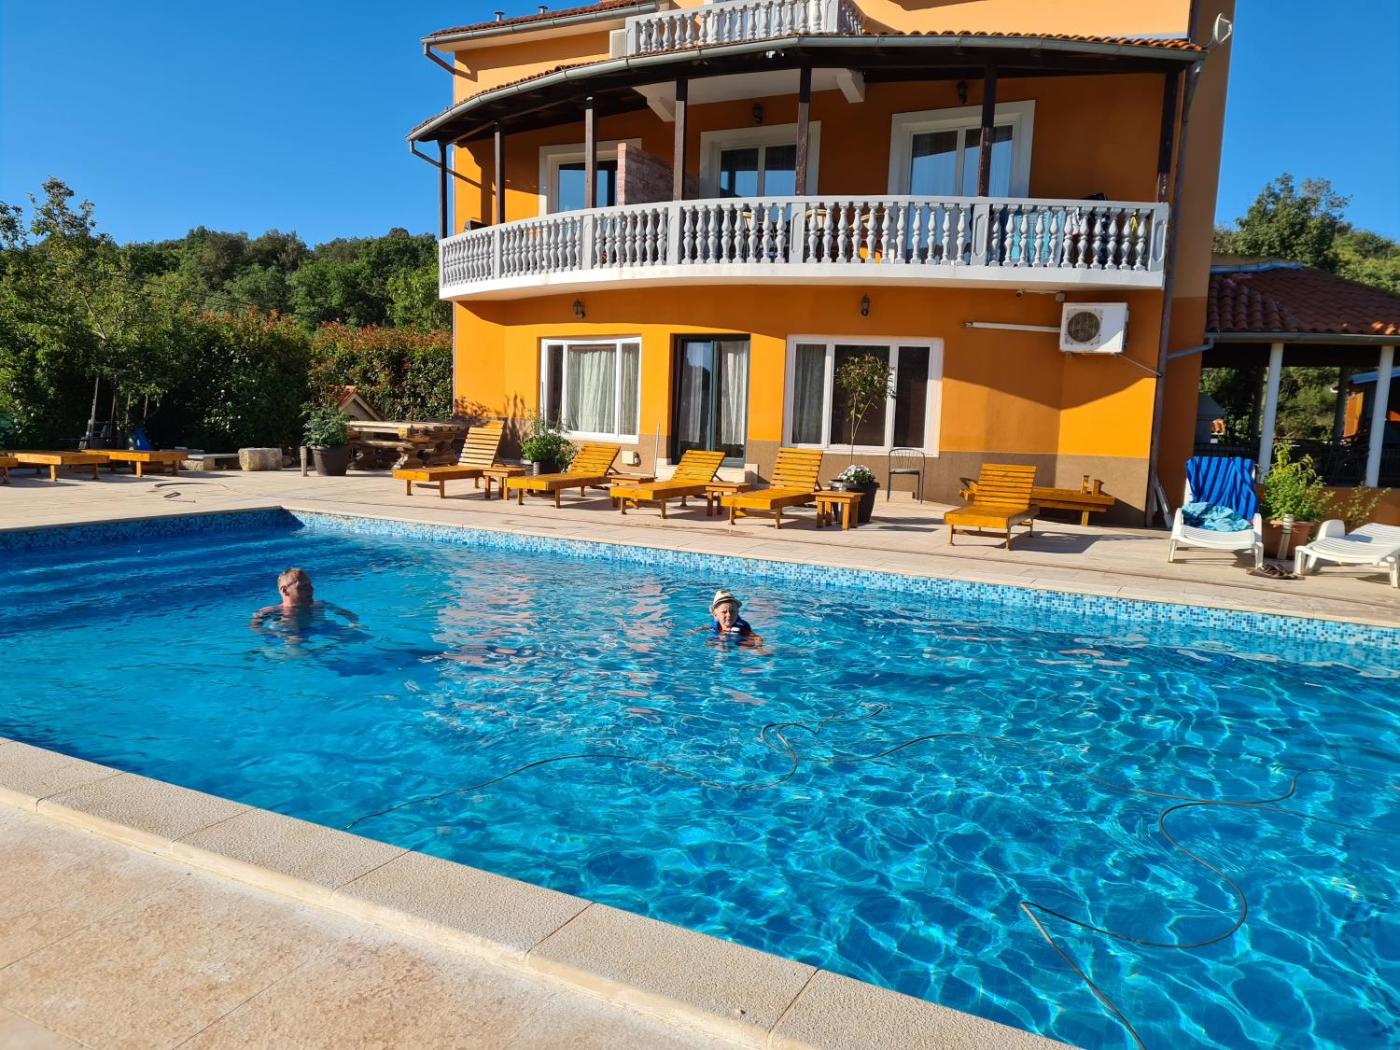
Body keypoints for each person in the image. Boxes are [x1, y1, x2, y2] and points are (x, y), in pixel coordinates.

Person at [250, 567, 360, 640]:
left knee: (359, 638)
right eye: (303, 587)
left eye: (310, 585)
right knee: (295, 649)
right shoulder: (271, 612)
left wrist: (354, 623)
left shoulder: (320, 605)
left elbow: (347, 613)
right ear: (285, 590)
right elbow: (254, 627)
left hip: (321, 629)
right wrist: (281, 635)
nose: (311, 589)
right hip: (288, 635)